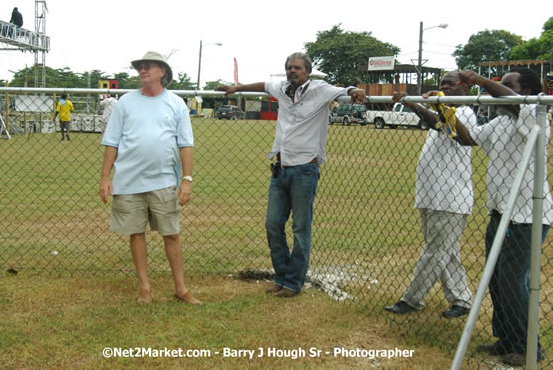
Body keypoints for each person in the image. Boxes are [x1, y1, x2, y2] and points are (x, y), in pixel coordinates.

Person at [216, 52, 366, 298]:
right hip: (280, 167)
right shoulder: (282, 88)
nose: (292, 71)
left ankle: (294, 282)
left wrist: (353, 90)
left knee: (300, 228)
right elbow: (263, 85)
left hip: (305, 169)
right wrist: (237, 87)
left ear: (307, 71)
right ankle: (282, 275)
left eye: (297, 68)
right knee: (273, 224)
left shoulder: (320, 90)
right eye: (289, 68)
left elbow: (344, 90)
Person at [453, 68, 551, 366]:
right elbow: (468, 138)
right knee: (495, 280)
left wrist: (482, 81)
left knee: (511, 280)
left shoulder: (535, 115)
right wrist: (440, 111)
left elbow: (515, 101)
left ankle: (525, 347)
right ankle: (506, 339)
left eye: (506, 86)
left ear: (527, 93)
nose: (496, 90)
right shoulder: (501, 122)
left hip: (525, 216)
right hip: (500, 212)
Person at [99, 51, 201, 305]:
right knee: (136, 233)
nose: (143, 70)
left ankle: (181, 288)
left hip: (164, 180)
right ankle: (145, 288)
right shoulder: (125, 103)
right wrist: (105, 178)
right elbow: (112, 142)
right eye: (140, 67)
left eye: (148, 67)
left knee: (172, 234)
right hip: (128, 181)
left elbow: (185, 144)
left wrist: (186, 179)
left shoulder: (176, 104)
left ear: (162, 72)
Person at [384, 71, 475, 318]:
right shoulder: (442, 108)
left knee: (436, 250)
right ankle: (462, 299)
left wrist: (417, 104)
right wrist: (420, 104)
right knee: (446, 250)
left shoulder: (464, 111)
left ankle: (412, 299)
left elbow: (445, 125)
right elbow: (436, 121)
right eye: (442, 83)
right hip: (431, 194)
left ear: (464, 87)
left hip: (451, 197)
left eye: (450, 83)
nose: (445, 86)